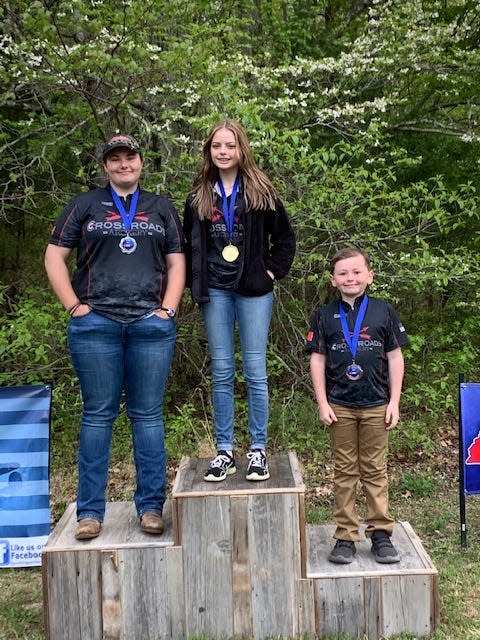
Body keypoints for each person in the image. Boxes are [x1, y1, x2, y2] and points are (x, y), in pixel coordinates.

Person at [44, 133, 185, 540]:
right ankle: (89, 512)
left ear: (141, 162)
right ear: (106, 165)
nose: (124, 164)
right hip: (95, 325)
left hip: (150, 325)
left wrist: (168, 310)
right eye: (116, 159)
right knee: (98, 415)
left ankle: (151, 508)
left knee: (147, 416)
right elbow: (55, 255)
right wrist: (74, 305)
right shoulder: (83, 205)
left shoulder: (161, 208)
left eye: (131, 157)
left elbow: (177, 263)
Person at [183, 119, 295, 482]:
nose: (223, 152)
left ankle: (258, 450)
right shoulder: (199, 194)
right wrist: (193, 281)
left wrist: (271, 272)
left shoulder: (262, 192)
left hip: (253, 291)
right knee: (221, 371)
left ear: (241, 148)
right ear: (208, 150)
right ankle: (225, 451)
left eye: (230, 145)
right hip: (215, 290)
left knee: (256, 371)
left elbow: (286, 240)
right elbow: (186, 247)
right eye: (217, 146)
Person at [306, 247, 408, 564]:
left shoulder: (383, 311)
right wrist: (322, 402)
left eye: (356, 272)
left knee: (376, 469)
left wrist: (394, 401)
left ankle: (380, 534)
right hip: (340, 406)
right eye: (343, 273)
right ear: (333, 280)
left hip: (377, 403)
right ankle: (346, 537)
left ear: (369, 276)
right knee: (345, 472)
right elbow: (317, 360)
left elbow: (395, 357)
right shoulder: (324, 316)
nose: (350, 278)